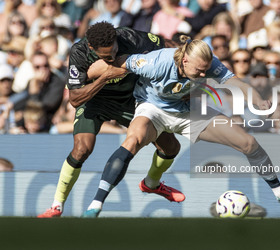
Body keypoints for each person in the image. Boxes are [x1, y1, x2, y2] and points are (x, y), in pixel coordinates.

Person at [83, 36, 280, 217]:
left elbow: (236, 82)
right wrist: (85, 76)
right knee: (132, 142)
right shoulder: (155, 62)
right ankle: (96, 205)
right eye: (200, 71)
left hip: (187, 111)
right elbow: (114, 64)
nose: (204, 75)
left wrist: (257, 99)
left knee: (248, 143)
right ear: (184, 61)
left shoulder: (208, 64)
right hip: (152, 109)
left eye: (206, 71)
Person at [37, 21, 182, 218]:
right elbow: (74, 99)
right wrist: (105, 77)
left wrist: (186, 50)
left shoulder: (130, 37)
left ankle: (152, 184)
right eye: (106, 56)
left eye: (114, 51)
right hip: (95, 101)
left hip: (131, 101)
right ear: (91, 47)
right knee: (81, 149)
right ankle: (56, 205)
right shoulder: (79, 52)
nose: (113, 57)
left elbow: (164, 44)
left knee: (171, 147)